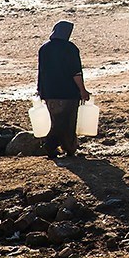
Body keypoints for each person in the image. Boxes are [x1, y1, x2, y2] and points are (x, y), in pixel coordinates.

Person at [37, 20, 91, 159]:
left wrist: (40, 90)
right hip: (68, 93)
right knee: (68, 121)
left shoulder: (44, 48)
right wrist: (83, 90)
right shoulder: (70, 48)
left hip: (49, 93)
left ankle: (56, 148)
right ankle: (62, 147)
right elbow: (76, 72)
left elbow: (41, 71)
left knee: (56, 121)